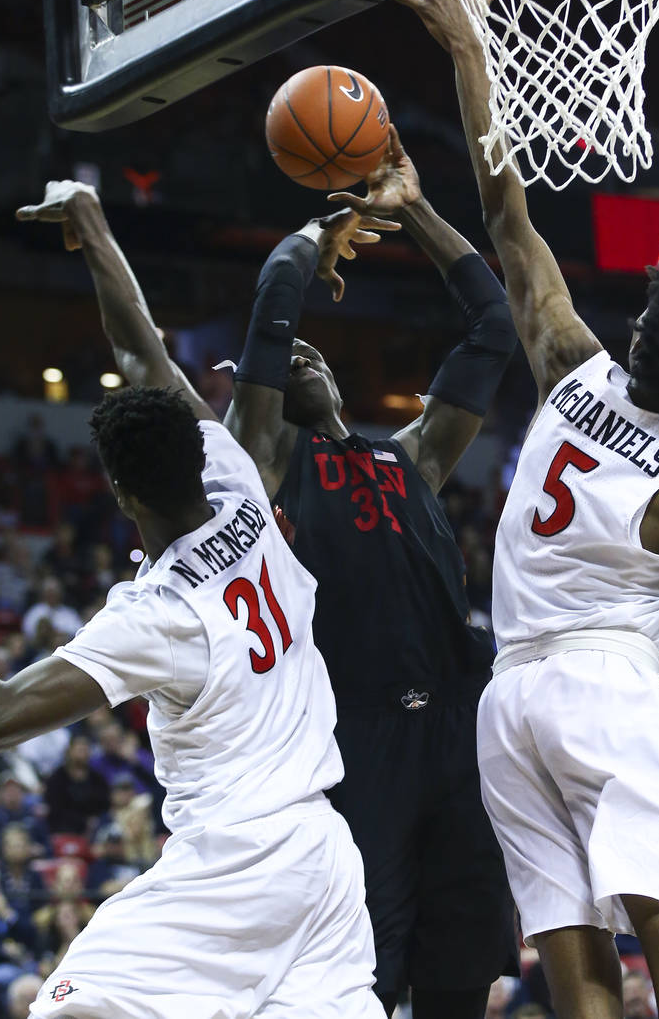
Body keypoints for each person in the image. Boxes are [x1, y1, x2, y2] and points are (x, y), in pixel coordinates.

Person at [400, 0, 659, 1019]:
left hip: (508, 707)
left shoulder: (568, 363)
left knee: (580, 989)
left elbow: (505, 214)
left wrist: (471, 54)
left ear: (646, 322)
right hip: (611, 704)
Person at [0, 179, 391, 1019]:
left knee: (70, 1006)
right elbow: (143, 354)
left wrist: (88, 226)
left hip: (235, 869)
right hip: (322, 849)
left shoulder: (158, 613)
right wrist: (93, 222)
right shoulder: (234, 478)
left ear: (122, 495)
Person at [230, 126, 520, 1019]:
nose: (304, 354)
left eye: (319, 350)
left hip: (454, 729)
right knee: (360, 972)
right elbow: (270, 322)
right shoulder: (269, 467)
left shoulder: (411, 456)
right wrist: (308, 245)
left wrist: (414, 209)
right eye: (290, 358)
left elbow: (493, 327)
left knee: (460, 965)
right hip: (358, 741)